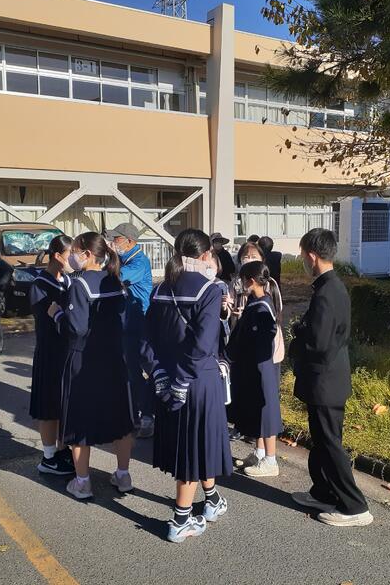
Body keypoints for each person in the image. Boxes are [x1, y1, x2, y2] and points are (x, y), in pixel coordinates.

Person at [141, 228, 232, 543]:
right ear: (206, 254)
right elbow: (203, 345)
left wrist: (159, 374)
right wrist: (181, 380)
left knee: (196, 445)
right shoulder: (210, 289)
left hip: (167, 379)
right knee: (193, 449)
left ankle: (212, 499)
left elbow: (145, 339)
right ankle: (181, 520)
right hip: (197, 381)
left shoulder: (160, 288)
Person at [288, 228, 373, 527]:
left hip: (325, 382)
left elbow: (319, 345)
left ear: (312, 256)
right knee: (323, 441)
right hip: (329, 380)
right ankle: (323, 492)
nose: (302, 262)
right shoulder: (332, 287)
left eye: (302, 256)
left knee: (330, 444)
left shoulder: (326, 292)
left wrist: (297, 338)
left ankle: (354, 506)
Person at [48, 232, 134, 499]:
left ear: (87, 254)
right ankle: (123, 475)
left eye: (75, 250)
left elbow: (76, 328)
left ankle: (83, 481)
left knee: (79, 420)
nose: (71, 256)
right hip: (114, 358)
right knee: (121, 418)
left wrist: (57, 314)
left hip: (83, 359)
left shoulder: (80, 285)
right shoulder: (114, 281)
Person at [226, 261, 282, 478]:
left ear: (250, 281)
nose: (240, 284)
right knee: (258, 411)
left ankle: (271, 460)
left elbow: (262, 339)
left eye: (242, 280)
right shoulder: (257, 301)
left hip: (261, 368)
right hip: (254, 367)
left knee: (266, 413)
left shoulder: (262, 306)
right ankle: (259, 453)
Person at [104, 222, 154, 439]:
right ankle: (137, 413)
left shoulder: (139, 262)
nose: (113, 242)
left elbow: (116, 278)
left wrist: (109, 257)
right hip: (126, 323)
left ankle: (148, 414)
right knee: (130, 371)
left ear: (130, 241)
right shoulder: (124, 258)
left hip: (141, 323)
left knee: (147, 369)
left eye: (116, 239)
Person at [30, 235, 75, 476]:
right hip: (49, 352)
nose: (74, 259)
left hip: (67, 352)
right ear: (57, 256)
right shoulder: (40, 284)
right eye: (70, 255)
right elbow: (48, 318)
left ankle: (62, 449)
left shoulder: (67, 280)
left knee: (62, 405)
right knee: (48, 406)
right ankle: (48, 457)